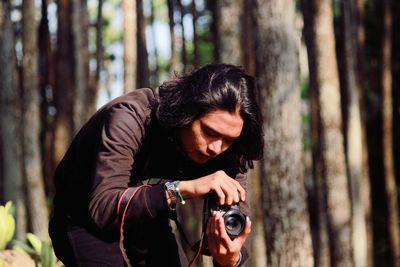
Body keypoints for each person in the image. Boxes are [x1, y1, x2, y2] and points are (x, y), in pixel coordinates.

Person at [49, 63, 264, 267]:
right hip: (82, 216)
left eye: (229, 139)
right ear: (187, 112)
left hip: (145, 214)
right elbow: (103, 208)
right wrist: (181, 190)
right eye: (209, 132)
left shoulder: (226, 148)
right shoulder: (130, 117)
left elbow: (237, 223)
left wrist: (229, 258)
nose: (216, 148)